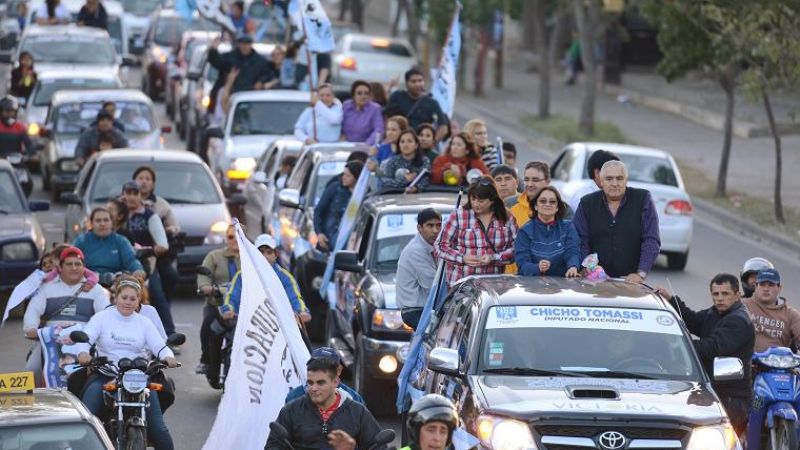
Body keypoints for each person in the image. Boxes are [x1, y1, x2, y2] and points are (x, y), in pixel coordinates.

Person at [75, 278, 179, 450]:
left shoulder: (144, 322)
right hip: (106, 374)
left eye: (133, 299)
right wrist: (83, 353)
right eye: (124, 297)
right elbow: (86, 338)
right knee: (87, 422)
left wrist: (168, 356)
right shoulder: (102, 317)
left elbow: (159, 345)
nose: (128, 302)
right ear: (116, 297)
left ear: (139, 301)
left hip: (138, 378)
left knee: (159, 429)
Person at [656, 274, 754, 435]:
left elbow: (712, 347)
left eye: (725, 294)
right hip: (711, 391)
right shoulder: (715, 312)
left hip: (732, 399)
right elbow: (694, 321)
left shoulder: (738, 320)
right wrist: (671, 300)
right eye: (716, 294)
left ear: (737, 295)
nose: (720, 299)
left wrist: (678, 348)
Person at [23, 247, 109, 383]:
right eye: (69, 264)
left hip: (85, 340)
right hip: (50, 339)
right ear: (60, 267)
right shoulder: (46, 287)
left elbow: (106, 316)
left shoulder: (96, 289)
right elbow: (33, 310)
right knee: (32, 369)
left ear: (84, 267)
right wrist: (31, 328)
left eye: (78, 264)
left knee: (103, 371)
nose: (74, 268)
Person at [265, 356, 384, 450]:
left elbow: (379, 447)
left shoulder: (358, 412)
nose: (313, 388)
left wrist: (352, 448)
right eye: (310, 383)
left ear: (335, 382)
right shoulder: (291, 410)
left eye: (320, 383)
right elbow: (273, 445)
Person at [573, 160, 660, 282]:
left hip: (630, 282)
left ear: (626, 180)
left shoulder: (643, 199)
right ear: (601, 181)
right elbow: (580, 240)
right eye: (609, 179)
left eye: (619, 178)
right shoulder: (587, 203)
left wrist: (640, 274)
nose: (615, 183)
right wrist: (584, 268)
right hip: (593, 281)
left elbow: (651, 239)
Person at [435, 177, 518, 287]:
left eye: (481, 201)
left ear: (492, 200)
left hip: (494, 285)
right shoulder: (458, 215)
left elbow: (517, 248)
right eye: (473, 199)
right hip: (461, 285)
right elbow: (440, 246)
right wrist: (462, 258)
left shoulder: (507, 217)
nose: (476, 204)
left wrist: (494, 258)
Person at [223, 234, 310, 322]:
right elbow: (231, 297)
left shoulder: (285, 277)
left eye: (269, 252)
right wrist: (228, 310)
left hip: (278, 328)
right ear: (253, 254)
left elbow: (295, 298)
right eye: (261, 252)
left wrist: (302, 312)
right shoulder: (241, 276)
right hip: (247, 327)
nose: (265, 256)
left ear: (276, 255)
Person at [196, 224, 240, 375]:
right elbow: (203, 277)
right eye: (230, 236)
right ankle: (205, 360)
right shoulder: (214, 256)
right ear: (226, 238)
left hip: (243, 307)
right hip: (217, 304)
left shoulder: (251, 259)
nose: (234, 240)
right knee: (207, 324)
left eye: (238, 236)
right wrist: (205, 287)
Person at [514, 186, 580, 278]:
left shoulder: (568, 227)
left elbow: (572, 251)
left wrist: (573, 266)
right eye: (543, 201)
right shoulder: (524, 231)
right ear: (535, 206)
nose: (547, 204)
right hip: (532, 286)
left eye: (552, 202)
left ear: (557, 207)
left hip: (563, 285)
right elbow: (522, 263)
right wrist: (537, 268)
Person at [396, 209, 441, 327]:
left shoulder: (432, 246)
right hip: (416, 311)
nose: (435, 230)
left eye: (438, 225)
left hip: (424, 309)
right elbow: (433, 285)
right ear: (419, 228)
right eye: (430, 226)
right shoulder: (416, 250)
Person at [72, 207, 146, 279]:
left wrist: (138, 270)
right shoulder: (82, 241)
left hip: (115, 281)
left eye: (106, 220)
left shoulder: (121, 241)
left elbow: (131, 260)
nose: (102, 224)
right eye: (98, 221)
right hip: (87, 280)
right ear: (91, 224)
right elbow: (71, 261)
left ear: (112, 223)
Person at [742, 269, 800, 353]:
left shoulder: (791, 315)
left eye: (771, 285)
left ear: (779, 288)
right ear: (756, 287)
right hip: (744, 361)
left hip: (778, 363)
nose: (766, 289)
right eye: (762, 284)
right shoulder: (742, 305)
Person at [385, 68, 449, 141]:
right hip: (398, 141)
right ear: (406, 83)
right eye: (413, 81)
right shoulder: (397, 96)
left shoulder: (431, 102)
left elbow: (443, 127)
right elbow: (386, 117)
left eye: (420, 81)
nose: (417, 84)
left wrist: (432, 143)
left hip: (420, 144)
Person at [284, 347, 363, 404]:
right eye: (316, 364)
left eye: (327, 367)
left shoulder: (353, 398)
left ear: (338, 370)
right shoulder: (294, 396)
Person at [313, 161, 364, 252]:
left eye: (348, 176)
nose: (344, 177)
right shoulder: (334, 189)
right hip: (330, 239)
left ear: (357, 178)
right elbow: (318, 211)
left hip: (352, 242)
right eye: (344, 174)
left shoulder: (364, 194)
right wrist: (319, 233)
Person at [341, 80, 383, 145]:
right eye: (359, 93)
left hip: (366, 146)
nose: (363, 96)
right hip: (345, 145)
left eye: (366, 93)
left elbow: (379, 130)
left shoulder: (375, 108)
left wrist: (367, 144)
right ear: (353, 95)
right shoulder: (346, 106)